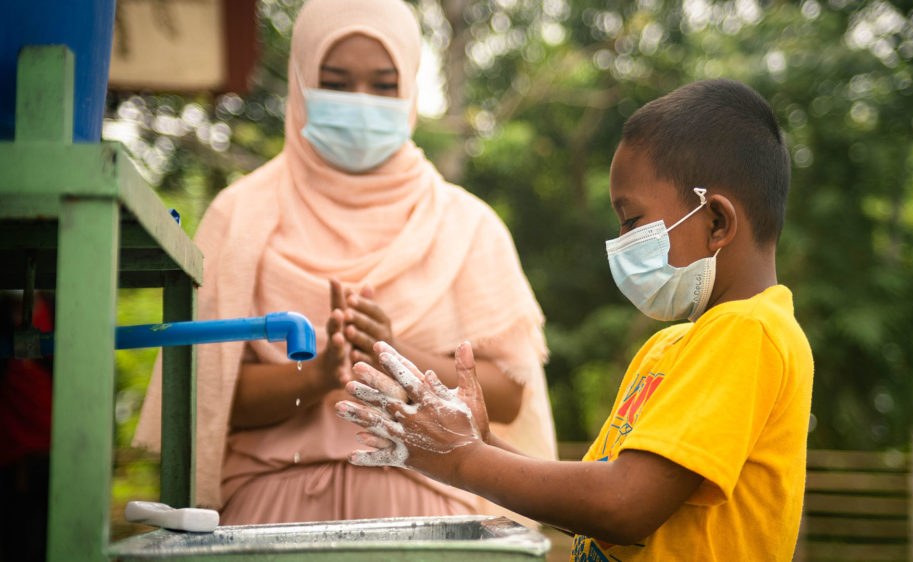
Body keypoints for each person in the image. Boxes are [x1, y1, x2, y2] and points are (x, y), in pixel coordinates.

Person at [336, 78, 815, 561]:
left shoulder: (749, 332)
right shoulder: (668, 348)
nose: (622, 240)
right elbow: (588, 498)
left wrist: (463, 461)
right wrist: (482, 442)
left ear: (717, 222)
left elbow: (623, 505)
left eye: (631, 220)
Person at [132, 0, 556, 526]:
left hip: (433, 522)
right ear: (301, 80)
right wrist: (313, 378)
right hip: (269, 520)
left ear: (409, 89)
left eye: (382, 85)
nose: (361, 102)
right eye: (335, 82)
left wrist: (397, 355)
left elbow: (508, 396)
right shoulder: (238, 217)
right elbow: (202, 393)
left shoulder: (466, 224)